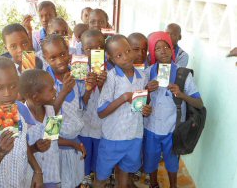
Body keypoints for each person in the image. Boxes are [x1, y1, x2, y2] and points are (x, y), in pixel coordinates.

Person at [144, 31, 203, 188]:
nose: (163, 50)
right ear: (153, 53)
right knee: (150, 160)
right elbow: (139, 102)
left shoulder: (183, 74)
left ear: (172, 49)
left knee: (172, 162)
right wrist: (147, 90)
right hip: (151, 127)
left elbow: (199, 103)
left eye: (166, 46)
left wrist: (181, 94)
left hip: (173, 129)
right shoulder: (148, 72)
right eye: (158, 48)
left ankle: (173, 185)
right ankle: (154, 184)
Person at [95, 35, 152, 188]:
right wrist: (124, 98)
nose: (126, 57)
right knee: (101, 176)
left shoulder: (142, 76)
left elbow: (141, 104)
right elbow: (101, 112)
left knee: (124, 173)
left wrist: (146, 109)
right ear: (111, 59)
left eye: (128, 51)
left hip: (133, 135)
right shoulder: (111, 78)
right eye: (119, 55)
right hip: (112, 138)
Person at [42, 34, 97, 188]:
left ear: (68, 51)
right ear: (46, 59)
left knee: (74, 180)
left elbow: (81, 106)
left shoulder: (77, 72)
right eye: (53, 58)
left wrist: (88, 90)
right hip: (58, 147)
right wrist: (64, 92)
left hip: (75, 140)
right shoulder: (46, 82)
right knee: (61, 182)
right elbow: (50, 125)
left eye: (62, 54)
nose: (59, 61)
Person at [0, 56, 43, 188]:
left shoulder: (21, 109)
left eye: (13, 86)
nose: (8, 93)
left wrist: (37, 170)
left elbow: (23, 144)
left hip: (22, 180)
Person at [19, 69, 61, 188]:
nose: (55, 90)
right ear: (36, 97)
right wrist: (34, 148)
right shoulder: (21, 118)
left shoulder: (51, 111)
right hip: (33, 178)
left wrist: (73, 144)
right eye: (51, 89)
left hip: (52, 173)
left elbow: (54, 139)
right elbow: (20, 150)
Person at [78, 29, 108, 187]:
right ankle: (85, 175)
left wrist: (102, 86)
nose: (94, 52)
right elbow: (78, 103)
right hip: (84, 123)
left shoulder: (109, 71)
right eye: (89, 49)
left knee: (99, 152)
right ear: (82, 50)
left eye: (99, 48)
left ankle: (98, 175)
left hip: (101, 123)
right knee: (85, 151)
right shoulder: (78, 71)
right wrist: (89, 88)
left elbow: (110, 101)